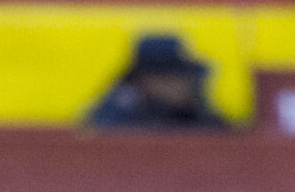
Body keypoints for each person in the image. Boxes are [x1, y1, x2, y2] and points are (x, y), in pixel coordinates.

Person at [84, 32, 230, 129]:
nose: (190, 85)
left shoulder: (190, 111)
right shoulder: (120, 117)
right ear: (149, 80)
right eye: (179, 78)